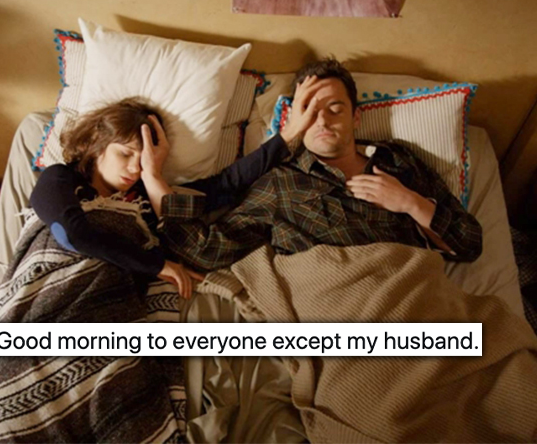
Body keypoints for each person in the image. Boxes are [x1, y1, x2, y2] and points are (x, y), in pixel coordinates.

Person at [160, 58, 483, 271]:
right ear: (296, 119)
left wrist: (411, 203)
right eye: (310, 111)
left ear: (356, 117)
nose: (323, 120)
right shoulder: (281, 183)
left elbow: (469, 245)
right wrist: (153, 179)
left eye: (335, 109)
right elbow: (205, 251)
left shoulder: (397, 159)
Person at [30, 97, 315, 298]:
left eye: (144, 160)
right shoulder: (60, 179)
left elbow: (227, 184)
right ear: (96, 142)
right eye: (126, 154)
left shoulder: (145, 200)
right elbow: (72, 235)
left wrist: (153, 175)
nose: (134, 168)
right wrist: (156, 265)